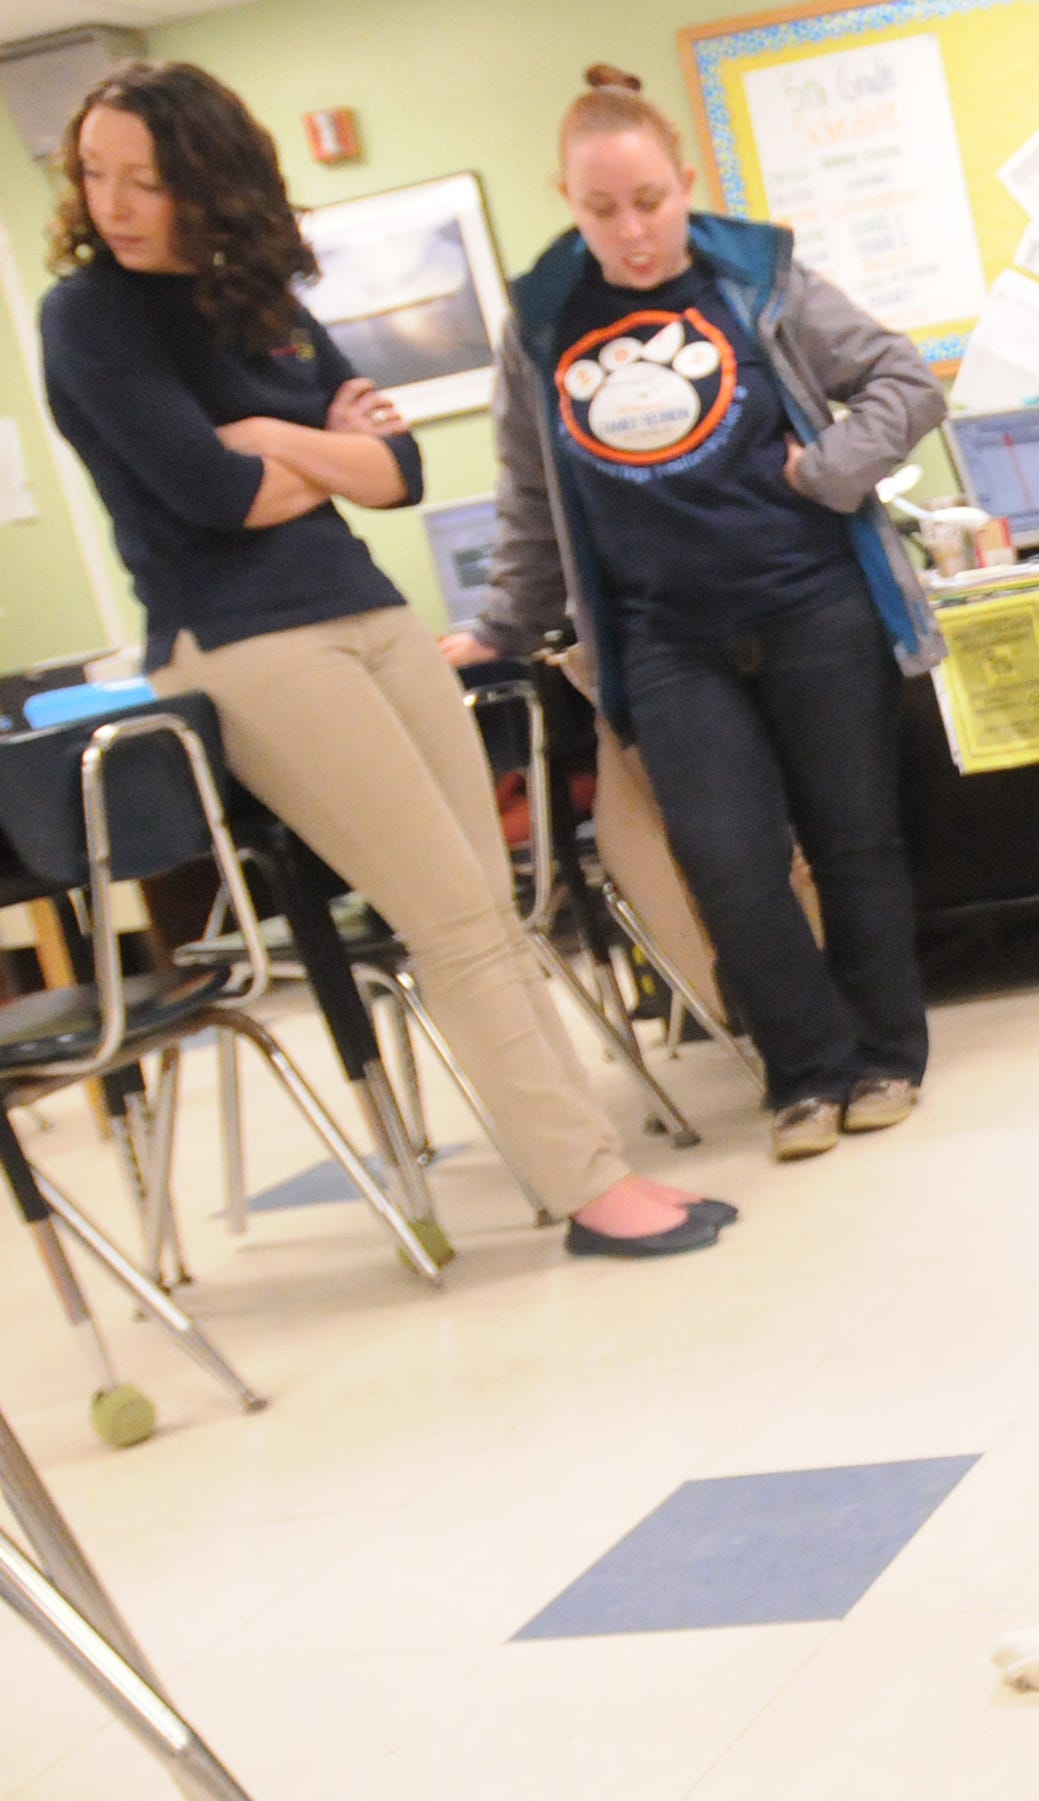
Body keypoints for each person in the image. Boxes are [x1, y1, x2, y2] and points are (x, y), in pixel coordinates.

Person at [37, 60, 726, 1261]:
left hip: (370, 611)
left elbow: (399, 476)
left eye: (145, 179)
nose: (116, 202)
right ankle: (590, 1189)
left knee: (500, 909)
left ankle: (597, 1165)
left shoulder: (254, 299)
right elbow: (215, 492)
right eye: (95, 175)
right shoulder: (85, 317)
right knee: (452, 917)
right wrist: (310, 446)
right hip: (244, 642)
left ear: (210, 180)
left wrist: (274, 442)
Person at [440, 66, 944, 1163]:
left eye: (650, 201)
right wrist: (502, 625)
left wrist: (834, 472)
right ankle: (805, 1076)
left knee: (853, 842)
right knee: (727, 861)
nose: (631, 231)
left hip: (815, 606)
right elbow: (530, 493)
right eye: (602, 209)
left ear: (686, 181)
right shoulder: (540, 322)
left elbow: (906, 380)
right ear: (568, 202)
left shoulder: (760, 278)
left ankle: (886, 1060)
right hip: (665, 638)